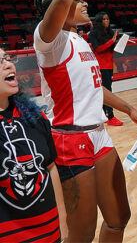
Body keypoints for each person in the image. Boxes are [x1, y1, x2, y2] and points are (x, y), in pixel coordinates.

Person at [33, 0, 137, 242]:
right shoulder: (48, 41)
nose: (84, 3)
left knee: (118, 217)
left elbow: (96, 89)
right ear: (59, 10)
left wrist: (129, 109)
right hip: (70, 139)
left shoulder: (79, 41)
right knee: (81, 233)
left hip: (98, 134)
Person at [0, 49, 67, 242]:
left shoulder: (35, 116)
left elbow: (51, 168)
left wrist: (62, 220)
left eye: (7, 59)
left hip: (49, 230)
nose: (8, 64)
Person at [88, 12, 122, 126]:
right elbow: (98, 49)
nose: (107, 21)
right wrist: (111, 41)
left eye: (108, 19)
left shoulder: (110, 32)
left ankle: (104, 114)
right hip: (100, 66)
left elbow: (110, 48)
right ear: (99, 21)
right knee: (106, 91)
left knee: (106, 90)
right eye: (104, 19)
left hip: (109, 65)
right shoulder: (93, 34)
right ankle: (111, 116)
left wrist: (119, 43)